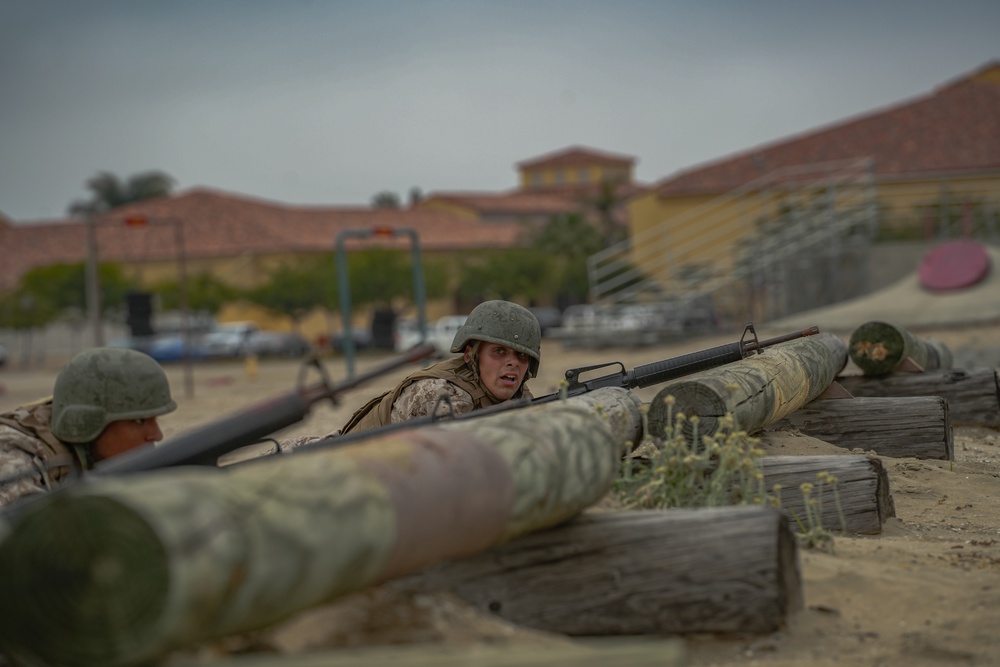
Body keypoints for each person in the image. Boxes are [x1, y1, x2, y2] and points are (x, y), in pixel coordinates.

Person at [0, 347, 177, 508]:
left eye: (156, 420)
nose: (157, 435)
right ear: (85, 424)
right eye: (139, 421)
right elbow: (30, 533)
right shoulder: (12, 453)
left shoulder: (95, 454)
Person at [339, 300, 542, 435]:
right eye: (499, 352)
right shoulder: (440, 394)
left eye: (522, 356)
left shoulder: (518, 394)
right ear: (471, 355)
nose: (513, 362)